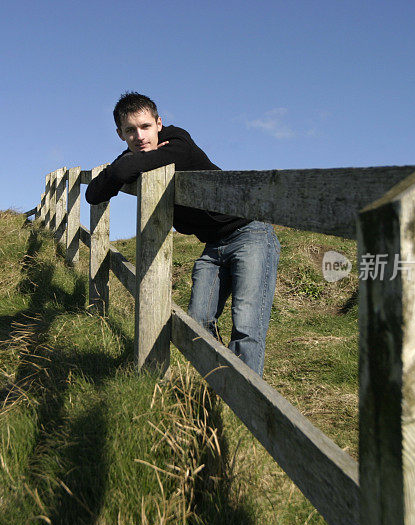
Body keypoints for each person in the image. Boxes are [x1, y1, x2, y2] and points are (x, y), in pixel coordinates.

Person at [85, 92, 279, 377]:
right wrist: (126, 165)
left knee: (247, 327)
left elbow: (124, 169)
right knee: (199, 321)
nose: (139, 136)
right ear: (120, 134)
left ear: (159, 123)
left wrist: (126, 166)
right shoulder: (137, 153)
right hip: (213, 246)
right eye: (130, 130)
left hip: (250, 234)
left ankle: (246, 407)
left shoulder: (178, 142)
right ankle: (223, 384)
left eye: (145, 126)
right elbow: (93, 193)